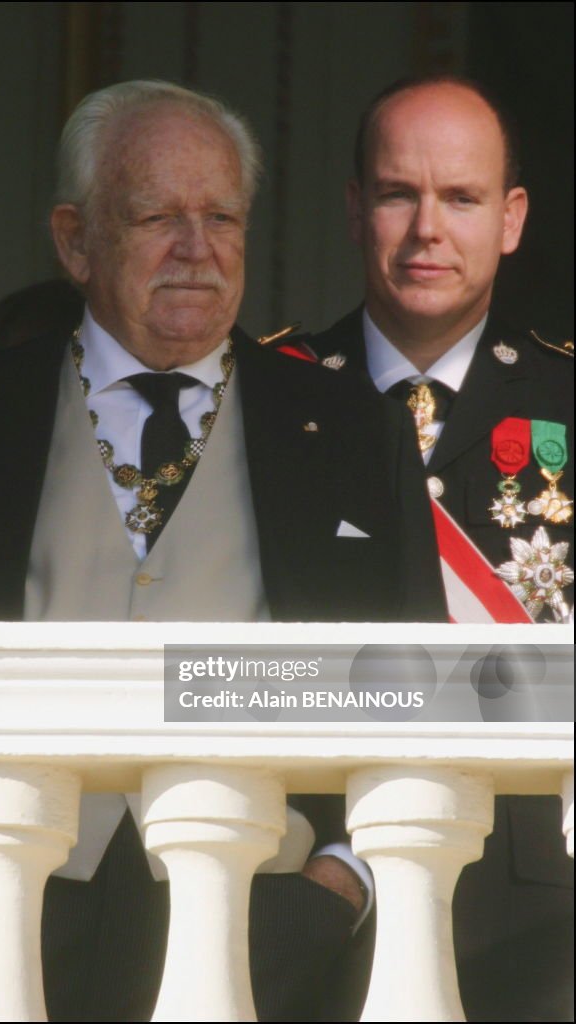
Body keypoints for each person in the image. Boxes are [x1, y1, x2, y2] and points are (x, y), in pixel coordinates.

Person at [0, 80, 415, 1023]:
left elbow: (418, 681)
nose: (196, 249)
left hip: (264, 907)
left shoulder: (351, 432)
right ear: (74, 240)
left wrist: (342, 880)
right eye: (154, 216)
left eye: (222, 216)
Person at [295, 75, 574, 1021]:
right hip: (312, 882)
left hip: (537, 896)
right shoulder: (268, 397)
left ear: (511, 218)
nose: (426, 230)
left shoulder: (569, 403)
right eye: (396, 193)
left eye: (460, 198)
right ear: (353, 208)